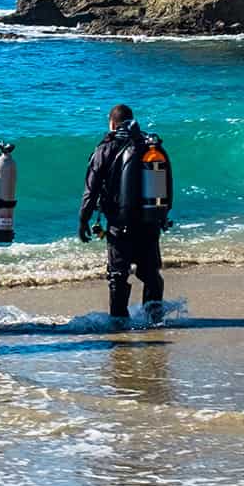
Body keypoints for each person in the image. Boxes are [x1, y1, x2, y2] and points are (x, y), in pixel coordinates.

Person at [80, 103, 166, 326]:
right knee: (150, 273)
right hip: (149, 222)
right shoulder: (150, 148)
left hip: (120, 225)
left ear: (111, 123)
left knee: (118, 275)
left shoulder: (104, 150)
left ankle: (118, 324)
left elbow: (91, 190)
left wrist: (83, 220)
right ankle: (154, 320)